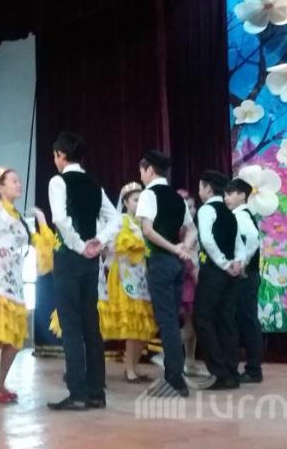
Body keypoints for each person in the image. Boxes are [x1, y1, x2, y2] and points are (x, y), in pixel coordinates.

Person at [47, 132, 120, 411]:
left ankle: (77, 392)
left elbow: (60, 219)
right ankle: (96, 392)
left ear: (61, 155)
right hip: (91, 261)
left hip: (70, 257)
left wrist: (79, 245)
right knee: (91, 324)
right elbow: (115, 219)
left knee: (71, 326)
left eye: (56, 155)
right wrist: (98, 241)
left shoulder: (58, 181)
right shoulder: (93, 182)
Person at [0, 167, 57, 403]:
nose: (19, 184)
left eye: (19, 181)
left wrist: (41, 220)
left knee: (13, 340)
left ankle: (0, 382)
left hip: (15, 284)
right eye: (14, 181)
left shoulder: (20, 220)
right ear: (0, 187)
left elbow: (42, 247)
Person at [136, 150, 198, 397]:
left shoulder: (148, 194)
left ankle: (174, 380)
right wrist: (185, 248)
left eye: (142, 171)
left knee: (167, 322)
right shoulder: (176, 197)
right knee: (172, 319)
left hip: (161, 262)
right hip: (176, 264)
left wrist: (175, 248)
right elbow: (192, 229)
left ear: (150, 170)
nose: (141, 176)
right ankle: (175, 377)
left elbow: (147, 230)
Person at [97, 182, 157, 383]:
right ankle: (129, 369)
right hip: (125, 277)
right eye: (135, 200)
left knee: (143, 324)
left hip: (143, 277)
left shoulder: (146, 223)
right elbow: (107, 246)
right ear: (125, 202)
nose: (139, 203)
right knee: (132, 323)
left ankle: (134, 366)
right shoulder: (121, 221)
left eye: (141, 200)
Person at [194, 170, 241, 390]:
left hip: (215, 270)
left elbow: (207, 239)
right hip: (232, 272)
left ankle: (219, 372)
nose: (199, 191)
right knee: (226, 319)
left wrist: (223, 263)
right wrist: (237, 262)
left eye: (200, 187)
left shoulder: (207, 209)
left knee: (203, 318)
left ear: (208, 188)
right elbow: (238, 241)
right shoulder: (230, 211)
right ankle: (231, 371)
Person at [224, 178, 264, 384]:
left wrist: (242, 263)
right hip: (248, 275)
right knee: (245, 320)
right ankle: (250, 367)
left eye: (230, 193)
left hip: (246, 276)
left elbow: (253, 238)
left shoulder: (241, 216)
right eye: (225, 194)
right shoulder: (240, 215)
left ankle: (254, 369)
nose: (226, 198)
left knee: (248, 321)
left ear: (242, 195)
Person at [176, 188, 207, 378]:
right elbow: (183, 256)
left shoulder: (196, 226)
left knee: (192, 325)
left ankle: (190, 361)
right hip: (188, 281)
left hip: (196, 277)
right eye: (187, 207)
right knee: (191, 323)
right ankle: (167, 351)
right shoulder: (181, 230)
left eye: (193, 206)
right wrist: (193, 271)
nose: (191, 210)